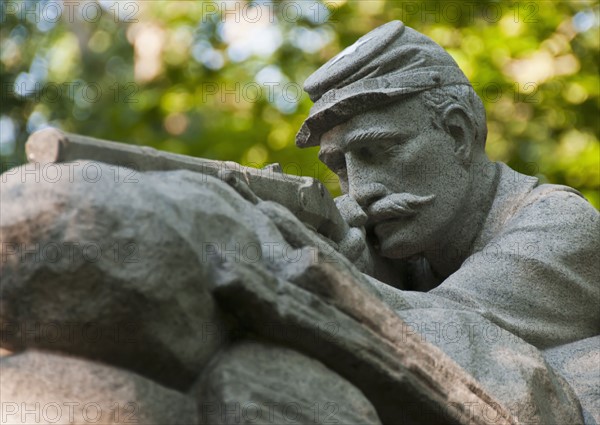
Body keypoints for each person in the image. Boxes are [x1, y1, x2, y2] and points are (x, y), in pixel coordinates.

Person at [295, 20, 599, 423]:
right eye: (341, 167)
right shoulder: (411, 251)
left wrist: (332, 274)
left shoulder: (559, 224)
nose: (359, 192)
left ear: (459, 132)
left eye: (377, 150)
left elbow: (437, 343)